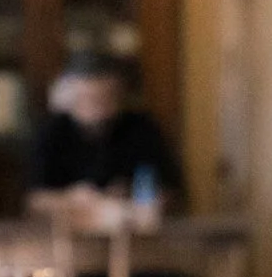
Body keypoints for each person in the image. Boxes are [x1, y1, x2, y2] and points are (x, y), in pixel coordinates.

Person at [28, 54, 183, 209]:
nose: (98, 111)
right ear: (68, 99)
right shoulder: (51, 132)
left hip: (130, 222)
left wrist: (132, 195)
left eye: (106, 99)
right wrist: (72, 198)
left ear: (120, 96)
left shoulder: (143, 129)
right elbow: (34, 200)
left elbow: (171, 191)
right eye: (88, 100)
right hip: (68, 223)